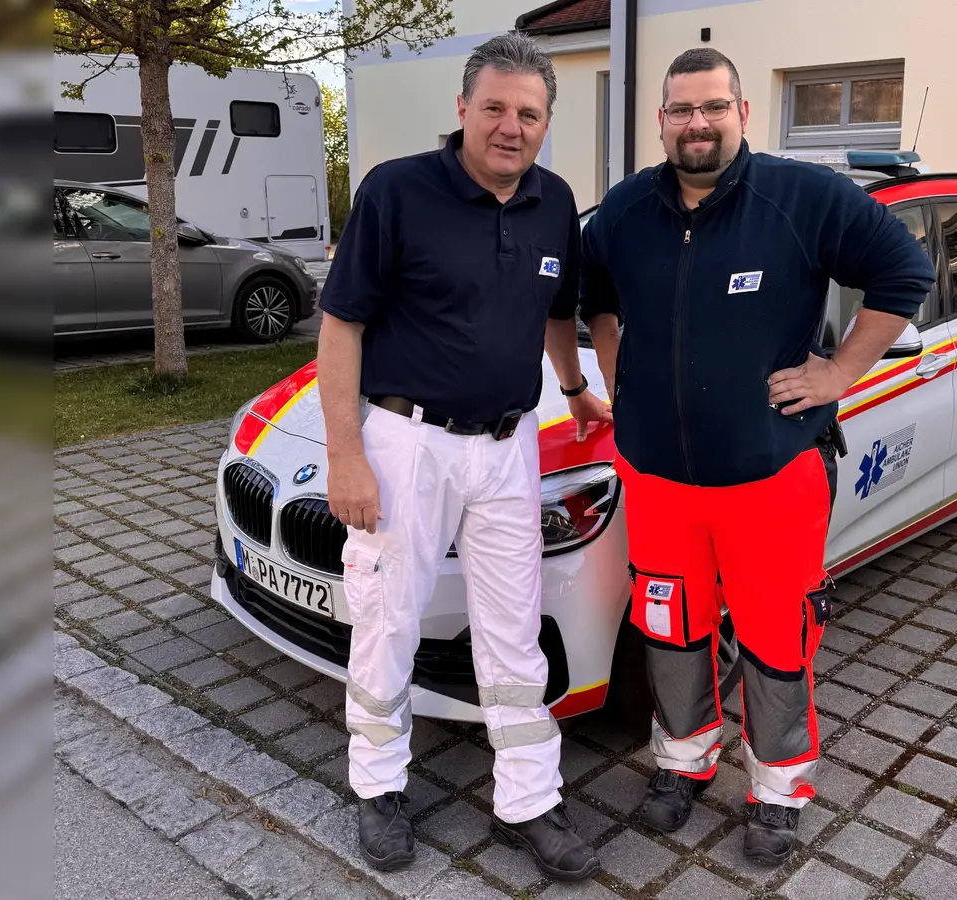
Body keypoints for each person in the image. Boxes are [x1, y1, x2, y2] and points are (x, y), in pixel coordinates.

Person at [577, 47, 934, 866]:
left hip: (769, 478)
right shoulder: (628, 209)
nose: (697, 123)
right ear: (661, 120)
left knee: (777, 636)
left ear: (743, 111)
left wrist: (840, 369)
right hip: (657, 476)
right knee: (669, 626)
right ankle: (682, 761)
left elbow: (903, 273)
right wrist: (612, 370)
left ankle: (778, 789)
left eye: (713, 107)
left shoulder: (802, 198)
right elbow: (591, 295)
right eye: (681, 110)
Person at [316, 31, 611, 881]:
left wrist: (574, 384)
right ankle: (378, 788)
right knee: (387, 620)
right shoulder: (397, 191)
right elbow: (342, 325)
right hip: (407, 443)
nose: (510, 127)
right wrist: (346, 457)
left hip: (508, 447)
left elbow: (559, 308)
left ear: (546, 121)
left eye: (528, 113)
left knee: (514, 633)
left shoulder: (555, 202)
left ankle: (528, 800)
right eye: (495, 108)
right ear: (462, 109)